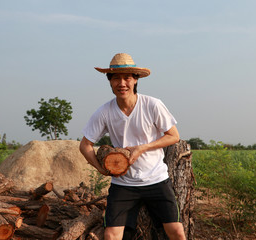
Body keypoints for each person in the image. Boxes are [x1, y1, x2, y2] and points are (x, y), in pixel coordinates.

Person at [79, 53, 186, 240]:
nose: (122, 83)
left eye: (127, 78)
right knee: (111, 236)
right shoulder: (105, 111)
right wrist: (100, 169)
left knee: (176, 232)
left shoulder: (152, 105)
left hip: (156, 179)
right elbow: (85, 145)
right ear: (110, 82)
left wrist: (142, 148)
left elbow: (173, 136)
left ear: (135, 80)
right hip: (123, 184)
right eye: (116, 78)